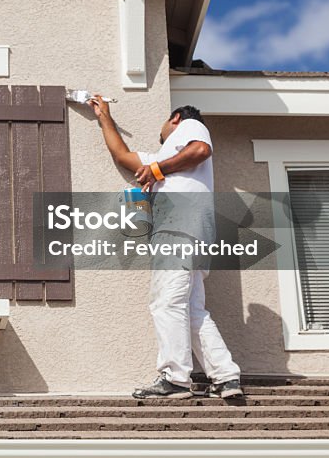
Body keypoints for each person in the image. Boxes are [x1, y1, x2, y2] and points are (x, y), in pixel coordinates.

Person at [89, 97, 243, 400]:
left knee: (166, 303)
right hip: (195, 233)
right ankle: (225, 377)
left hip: (179, 227)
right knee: (192, 309)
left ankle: (175, 378)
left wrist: (157, 169)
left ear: (175, 119)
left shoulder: (190, 126)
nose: (163, 140)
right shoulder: (164, 156)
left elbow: (200, 150)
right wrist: (104, 116)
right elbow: (122, 156)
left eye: (164, 133)